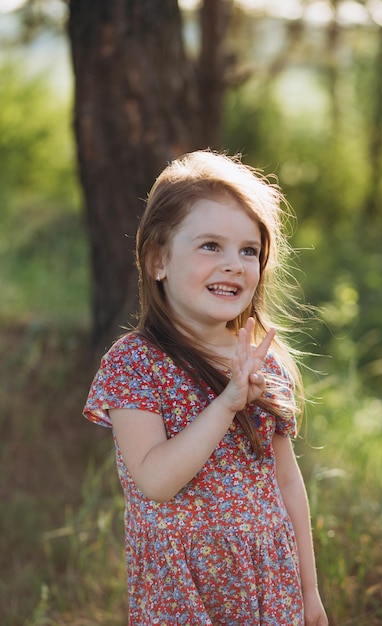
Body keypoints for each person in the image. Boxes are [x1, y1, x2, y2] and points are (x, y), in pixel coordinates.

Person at [83, 150, 328, 626]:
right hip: (185, 592)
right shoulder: (135, 364)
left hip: (268, 584)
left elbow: (286, 483)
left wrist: (309, 589)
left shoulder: (260, 360)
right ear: (157, 260)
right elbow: (154, 480)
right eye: (210, 246)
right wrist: (228, 404)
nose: (234, 264)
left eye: (248, 250)